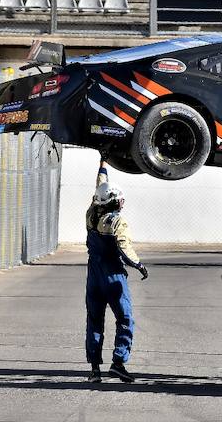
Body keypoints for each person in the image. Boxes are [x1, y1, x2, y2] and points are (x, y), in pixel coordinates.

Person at [84, 159, 148, 383]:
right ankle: (118, 363)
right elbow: (124, 247)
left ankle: (94, 370)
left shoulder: (91, 213)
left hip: (93, 274)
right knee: (125, 318)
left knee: (94, 319)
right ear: (115, 202)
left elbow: (100, 185)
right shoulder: (117, 222)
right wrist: (139, 265)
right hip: (113, 275)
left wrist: (102, 165)